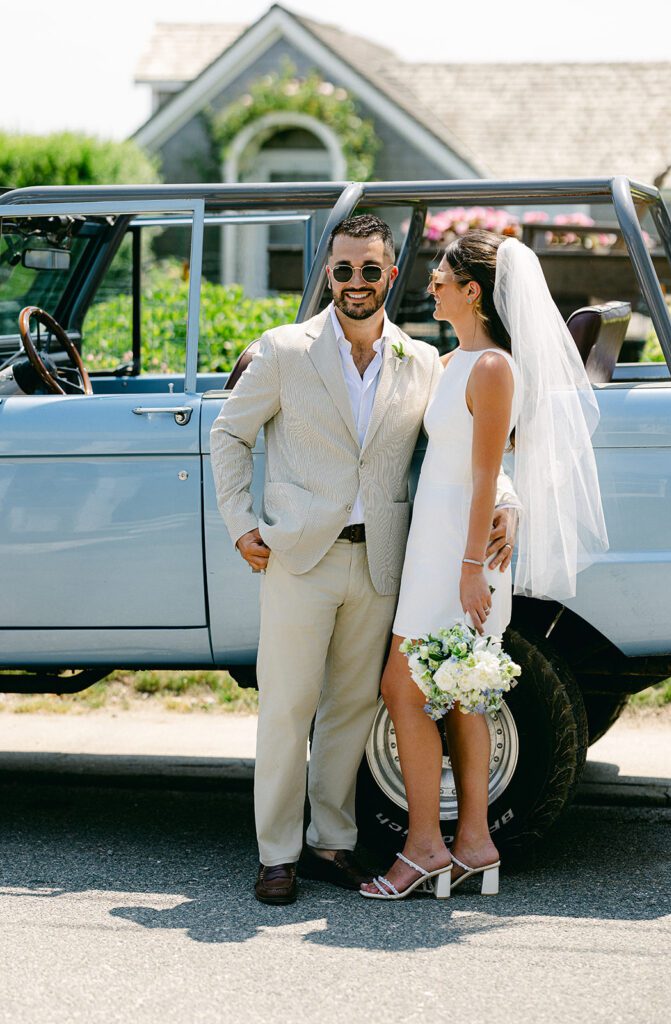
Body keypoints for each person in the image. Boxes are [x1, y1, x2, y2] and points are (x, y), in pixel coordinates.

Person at [210, 216, 519, 906]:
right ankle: (277, 854)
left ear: (389, 275)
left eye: (370, 270)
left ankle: (330, 843)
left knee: (352, 708)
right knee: (288, 708)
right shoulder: (286, 349)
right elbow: (228, 432)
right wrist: (239, 524)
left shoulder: (419, 359)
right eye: (343, 269)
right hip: (298, 557)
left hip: (382, 561)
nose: (356, 282)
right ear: (328, 275)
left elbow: (475, 439)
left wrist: (508, 499)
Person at [361, 230, 608, 901]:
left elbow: (486, 469)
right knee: (459, 693)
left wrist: (473, 562)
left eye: (440, 276)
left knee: (403, 691)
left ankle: (422, 848)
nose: (430, 283)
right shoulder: (452, 361)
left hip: (458, 554)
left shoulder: (493, 367)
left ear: (471, 291)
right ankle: (471, 843)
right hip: (436, 545)